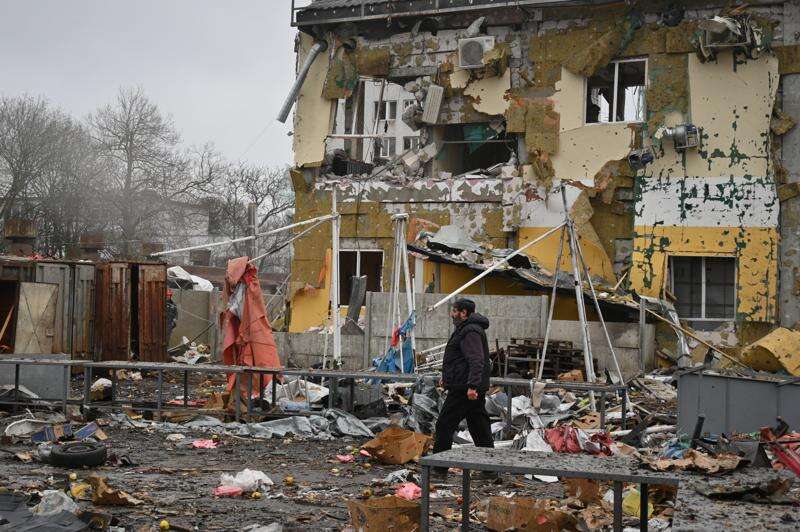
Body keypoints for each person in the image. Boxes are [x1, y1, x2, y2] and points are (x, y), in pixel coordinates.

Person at [431, 298, 495, 479]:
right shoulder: (465, 329)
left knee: (444, 424)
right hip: (466, 387)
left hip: (464, 390)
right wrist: (447, 378)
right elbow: (458, 360)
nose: (452, 314)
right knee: (479, 428)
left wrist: (472, 386)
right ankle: (490, 469)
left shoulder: (470, 331)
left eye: (454, 311)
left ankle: (439, 468)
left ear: (464, 313)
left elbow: (476, 360)